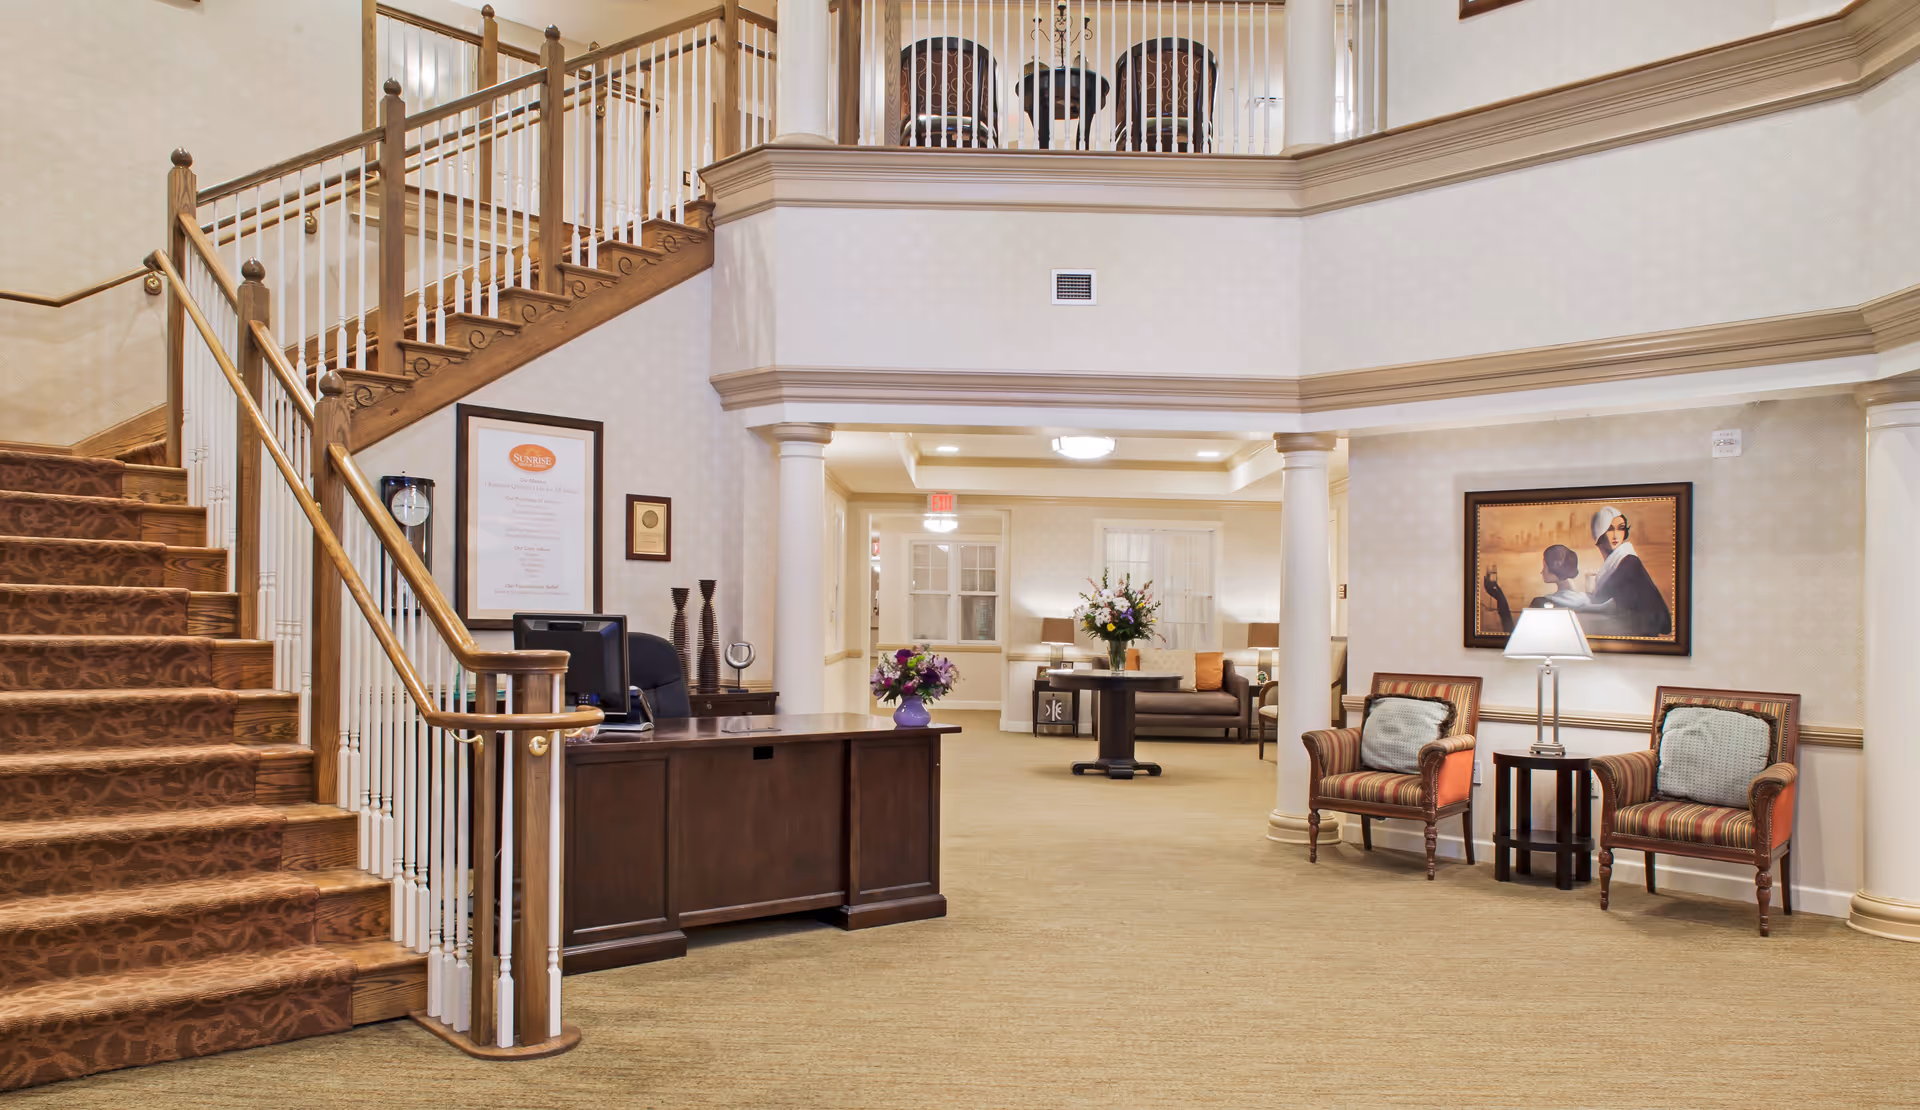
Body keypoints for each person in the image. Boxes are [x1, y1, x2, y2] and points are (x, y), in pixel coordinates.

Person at [1584, 506, 1671, 637]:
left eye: (1621, 528)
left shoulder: (1629, 563)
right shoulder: (1614, 564)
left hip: (1639, 638)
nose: (1616, 535)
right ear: (1598, 533)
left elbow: (1655, 615)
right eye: (1609, 529)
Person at [1482, 544, 1591, 635]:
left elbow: (1516, 638)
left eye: (1544, 566)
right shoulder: (1587, 600)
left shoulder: (1541, 603)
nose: (1541, 571)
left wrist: (1500, 598)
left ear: (1554, 567)